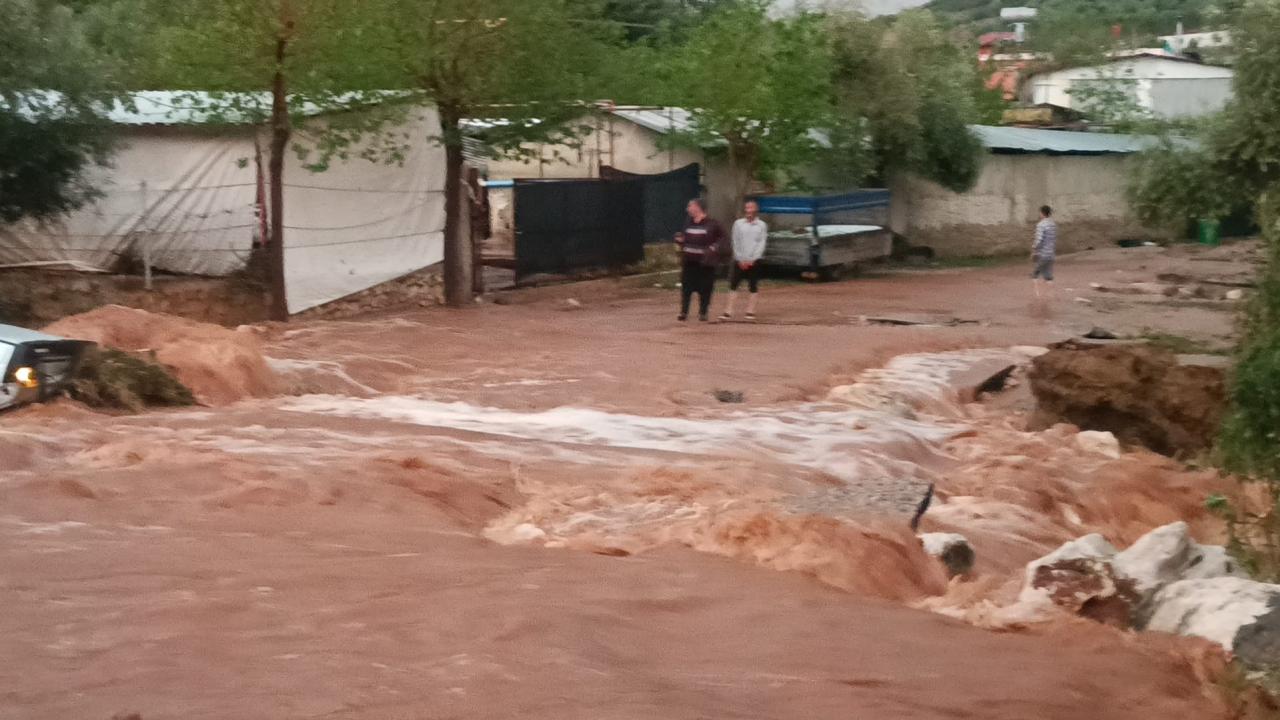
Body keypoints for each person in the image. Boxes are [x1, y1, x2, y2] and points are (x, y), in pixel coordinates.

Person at [675, 198, 724, 322]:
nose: (687, 209)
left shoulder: (713, 223)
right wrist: (681, 240)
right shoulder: (688, 222)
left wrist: (713, 248)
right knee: (686, 287)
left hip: (705, 263)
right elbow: (685, 238)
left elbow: (723, 239)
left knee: (705, 288)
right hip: (689, 261)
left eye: (690, 206)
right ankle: (683, 312)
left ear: (697, 207)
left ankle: (703, 312)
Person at [719, 199, 768, 322]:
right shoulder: (738, 224)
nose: (749, 210)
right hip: (739, 259)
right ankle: (728, 311)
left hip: (755, 260)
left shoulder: (761, 225)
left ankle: (750, 311)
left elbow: (761, 243)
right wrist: (740, 258)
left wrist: (753, 259)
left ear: (756, 210)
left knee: (753, 285)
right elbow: (735, 241)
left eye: (751, 208)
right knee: (733, 284)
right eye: (747, 208)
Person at [1032, 205, 1057, 298]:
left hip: (1042, 254)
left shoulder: (1041, 225)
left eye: (1039, 212)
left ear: (1042, 213)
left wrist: (1034, 250)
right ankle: (1051, 294)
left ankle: (1037, 296)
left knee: (1035, 274)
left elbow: (1039, 240)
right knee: (1048, 274)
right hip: (1051, 254)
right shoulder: (1053, 224)